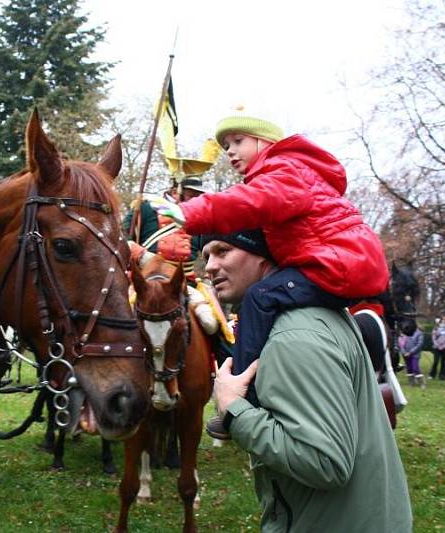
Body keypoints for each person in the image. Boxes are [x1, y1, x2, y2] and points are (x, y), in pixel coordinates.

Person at [157, 105, 388, 424]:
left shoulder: (284, 171)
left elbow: (249, 203)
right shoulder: (287, 173)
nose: (231, 152)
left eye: (238, 141)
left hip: (339, 264)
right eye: (226, 146)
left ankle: (243, 396)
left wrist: (192, 212)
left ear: (264, 141)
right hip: (341, 261)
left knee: (259, 298)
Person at [202, 231, 412, 532]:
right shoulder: (308, 317)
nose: (210, 265)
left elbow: (325, 463)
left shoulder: (293, 336)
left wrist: (233, 408)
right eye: (207, 255)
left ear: (263, 254)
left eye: (223, 251)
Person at [125, 174, 208, 283]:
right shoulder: (145, 208)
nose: (196, 200)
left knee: (210, 299)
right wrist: (139, 254)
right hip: (146, 281)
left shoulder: (200, 217)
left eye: (199, 196)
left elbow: (210, 248)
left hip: (186, 283)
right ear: (175, 192)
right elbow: (121, 237)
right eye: (191, 195)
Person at [398, 318, 425, 387]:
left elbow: (419, 344)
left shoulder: (419, 333)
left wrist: (410, 352)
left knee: (415, 368)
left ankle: (421, 382)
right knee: (409, 368)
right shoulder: (404, 332)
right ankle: (411, 382)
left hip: (415, 354)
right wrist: (404, 352)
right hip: (405, 354)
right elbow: (400, 343)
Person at [430, 315, 445, 379]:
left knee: (443, 362)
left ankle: (441, 375)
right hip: (436, 347)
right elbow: (434, 338)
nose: (444, 321)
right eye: (443, 319)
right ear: (441, 320)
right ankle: (432, 374)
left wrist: (444, 346)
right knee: (436, 361)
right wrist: (438, 345)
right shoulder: (436, 328)